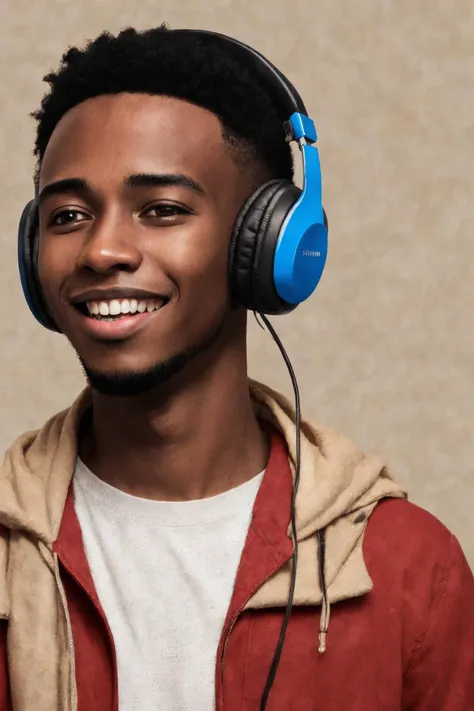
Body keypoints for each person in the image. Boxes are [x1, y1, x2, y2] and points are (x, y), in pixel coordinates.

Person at [0, 25, 473, 711]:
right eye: (68, 214)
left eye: (161, 209)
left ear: (269, 244)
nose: (101, 249)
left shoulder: (406, 568)